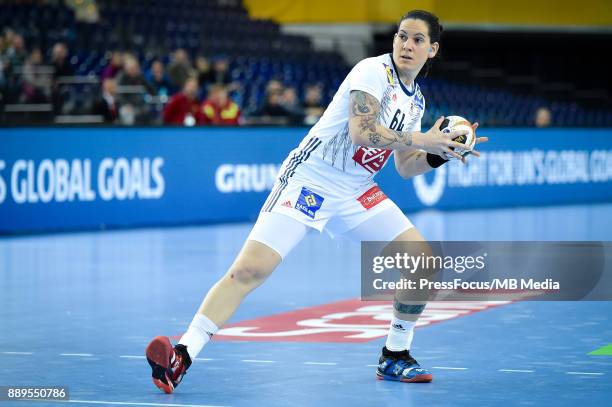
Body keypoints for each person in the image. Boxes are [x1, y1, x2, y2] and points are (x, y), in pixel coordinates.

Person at [145, 9, 487, 392]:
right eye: (402, 36)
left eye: (418, 40)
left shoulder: (417, 102)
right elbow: (363, 133)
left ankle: (395, 354)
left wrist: (440, 153)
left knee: (423, 261)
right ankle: (181, 356)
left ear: (433, 49)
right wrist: (427, 139)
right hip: (311, 180)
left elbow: (407, 167)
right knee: (250, 270)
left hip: (357, 191)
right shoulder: (372, 72)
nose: (407, 45)